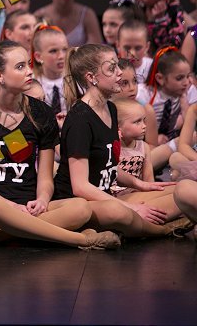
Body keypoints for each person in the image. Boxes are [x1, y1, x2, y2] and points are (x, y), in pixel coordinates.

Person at [0, 39, 120, 249]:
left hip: (31, 206)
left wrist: (42, 200)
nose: (29, 71)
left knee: (81, 208)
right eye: (20, 67)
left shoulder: (41, 113)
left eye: (28, 64)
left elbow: (45, 178)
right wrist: (11, 206)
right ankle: (80, 240)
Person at [52, 44, 196, 238]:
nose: (119, 72)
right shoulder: (79, 119)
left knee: (182, 191)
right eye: (112, 68)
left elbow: (108, 165)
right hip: (79, 202)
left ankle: (148, 224)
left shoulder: (110, 109)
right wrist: (131, 207)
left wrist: (140, 184)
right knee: (119, 212)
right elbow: (80, 187)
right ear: (91, 77)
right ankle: (162, 230)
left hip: (106, 196)